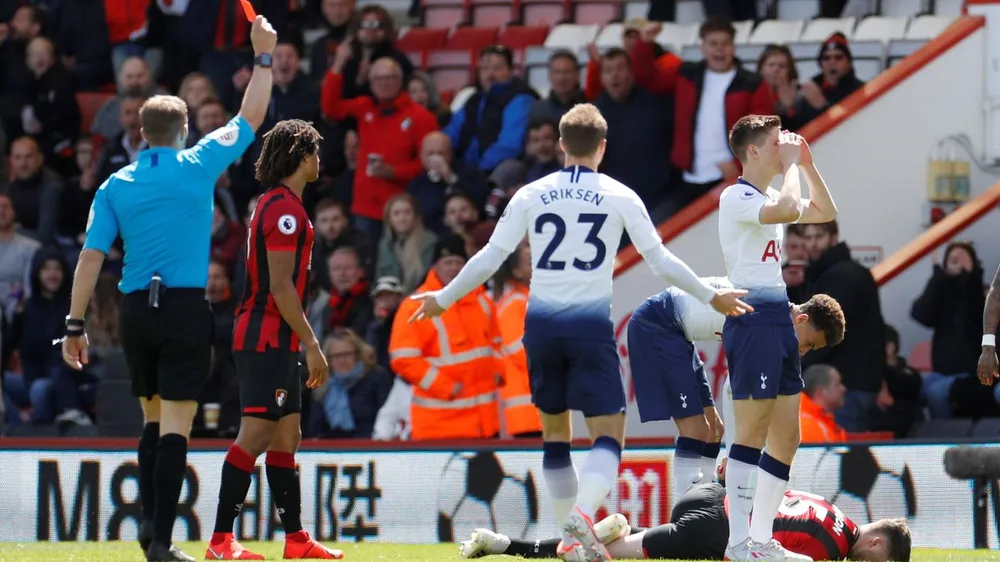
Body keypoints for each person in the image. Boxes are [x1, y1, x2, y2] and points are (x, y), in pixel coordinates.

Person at [406, 103, 751, 562]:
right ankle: (582, 517)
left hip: (541, 325)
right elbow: (661, 261)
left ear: (562, 145)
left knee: (555, 436)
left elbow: (491, 255)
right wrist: (712, 297)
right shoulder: (620, 195)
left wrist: (443, 298)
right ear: (602, 147)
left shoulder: (530, 193)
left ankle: (570, 540)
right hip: (589, 326)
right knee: (609, 435)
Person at [60, 16, 278, 562]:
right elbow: (252, 115)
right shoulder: (199, 163)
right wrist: (264, 56)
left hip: (136, 310)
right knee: (177, 425)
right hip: (182, 308)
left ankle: (148, 531)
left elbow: (90, 257)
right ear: (183, 132)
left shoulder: (116, 183)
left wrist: (75, 324)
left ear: (140, 137)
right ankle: (160, 540)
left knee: (152, 419)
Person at [206, 120, 344, 561]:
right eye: (315, 152)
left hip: (275, 336)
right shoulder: (284, 210)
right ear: (300, 156)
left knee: (288, 435)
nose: (319, 161)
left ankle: (296, 540)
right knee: (257, 434)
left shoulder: (281, 205)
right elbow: (281, 286)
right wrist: (313, 343)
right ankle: (220, 541)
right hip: (266, 335)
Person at [718, 114, 838, 561]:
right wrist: (790, 167)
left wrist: (805, 164)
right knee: (750, 435)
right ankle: (738, 545)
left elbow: (825, 212)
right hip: (753, 319)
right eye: (775, 142)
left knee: (787, 436)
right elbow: (790, 209)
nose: (782, 145)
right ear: (753, 152)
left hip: (777, 317)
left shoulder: (770, 192)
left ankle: (762, 542)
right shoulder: (736, 196)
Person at [628, 280, 844, 496]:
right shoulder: (766, 323)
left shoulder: (773, 314)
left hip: (674, 329)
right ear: (802, 319)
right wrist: (735, 455)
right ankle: (685, 512)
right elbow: (734, 389)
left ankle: (703, 500)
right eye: (810, 343)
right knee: (697, 430)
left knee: (714, 431)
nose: (804, 351)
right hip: (657, 324)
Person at [460, 482, 912, 562]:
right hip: (718, 528)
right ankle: (503, 547)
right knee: (593, 554)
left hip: (711, 496)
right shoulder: (831, 548)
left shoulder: (831, 509)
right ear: (875, 545)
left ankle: (503, 543)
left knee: (604, 543)